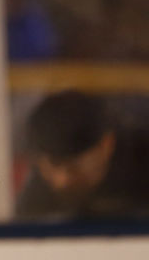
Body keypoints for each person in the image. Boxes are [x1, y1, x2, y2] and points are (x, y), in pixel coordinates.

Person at [16, 89, 149, 221]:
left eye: (74, 166)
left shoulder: (142, 167)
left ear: (106, 146)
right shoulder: (37, 198)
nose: (62, 180)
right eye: (53, 164)